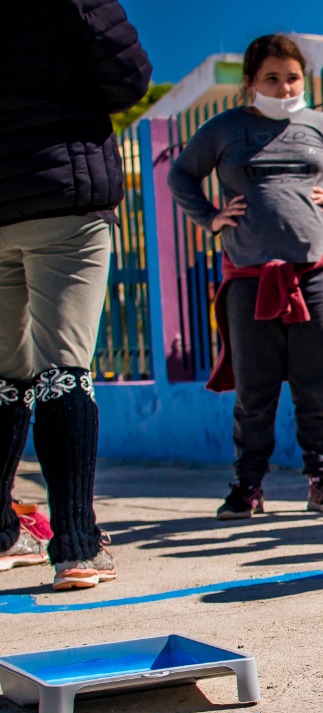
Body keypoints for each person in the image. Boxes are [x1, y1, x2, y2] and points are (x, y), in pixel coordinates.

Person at [170, 35, 323, 521]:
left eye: (292, 78)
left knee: (315, 386)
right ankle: (247, 486)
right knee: (254, 389)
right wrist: (210, 217)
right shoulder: (223, 129)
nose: (283, 88)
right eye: (272, 78)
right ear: (250, 83)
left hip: (316, 273)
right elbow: (181, 175)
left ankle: (322, 481)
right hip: (249, 278)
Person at [0, 0, 150, 589]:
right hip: (64, 196)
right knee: (64, 368)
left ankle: (3, 537)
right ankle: (77, 546)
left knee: (4, 375)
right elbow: (129, 77)